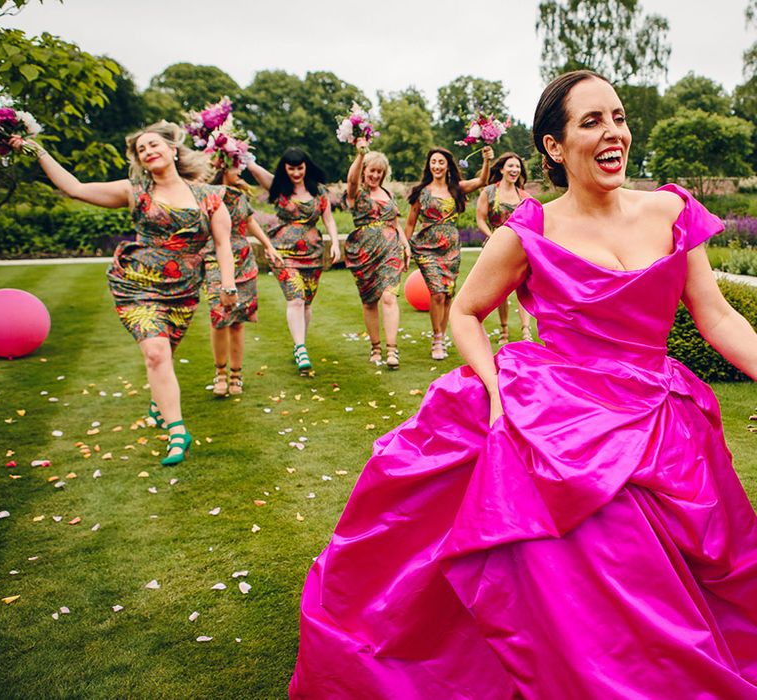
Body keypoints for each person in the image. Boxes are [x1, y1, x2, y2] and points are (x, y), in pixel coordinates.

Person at [289, 70, 757, 698]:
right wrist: (495, 389)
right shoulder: (528, 231)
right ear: (555, 148)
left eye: (616, 117)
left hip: (660, 410)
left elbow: (719, 316)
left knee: (710, 560)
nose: (612, 132)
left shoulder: (671, 209)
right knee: (594, 542)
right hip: (561, 406)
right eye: (590, 122)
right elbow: (463, 311)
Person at [10, 122, 237, 467]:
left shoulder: (209, 197)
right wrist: (36, 149)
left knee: (165, 352)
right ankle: (178, 433)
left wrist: (228, 285)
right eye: (141, 150)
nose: (148, 151)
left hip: (183, 290)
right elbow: (74, 188)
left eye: (154, 145)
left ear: (173, 150)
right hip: (136, 284)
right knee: (156, 353)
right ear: (141, 161)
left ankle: (160, 403)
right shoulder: (134, 191)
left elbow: (223, 245)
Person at [245, 148, 341, 373]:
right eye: (291, 168)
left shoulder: (319, 191)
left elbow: (329, 220)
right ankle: (300, 348)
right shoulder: (278, 187)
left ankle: (301, 345)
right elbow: (254, 168)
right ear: (284, 169)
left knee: (306, 303)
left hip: (313, 253)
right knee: (295, 299)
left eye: (299, 168)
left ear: (306, 166)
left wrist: (335, 243)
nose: (296, 172)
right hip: (283, 252)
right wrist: (237, 151)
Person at [404, 145, 492, 361]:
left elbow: (481, 181)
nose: (437, 166)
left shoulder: (457, 189)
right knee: (437, 292)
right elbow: (410, 222)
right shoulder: (421, 192)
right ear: (429, 166)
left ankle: (442, 335)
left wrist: (487, 160)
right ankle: (437, 338)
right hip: (426, 247)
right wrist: (404, 248)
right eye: (433, 162)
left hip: (450, 248)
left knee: (448, 294)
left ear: (447, 166)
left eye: (441, 162)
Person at [204, 165, 282, 396]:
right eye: (234, 166)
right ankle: (220, 372)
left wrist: (269, 246)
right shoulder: (204, 194)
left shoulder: (239, 196)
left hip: (243, 261)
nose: (240, 170)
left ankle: (236, 375)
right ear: (221, 167)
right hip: (215, 259)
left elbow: (249, 222)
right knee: (219, 318)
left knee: (237, 320)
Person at [345, 138, 410, 369]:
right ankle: (375, 347)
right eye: (372, 171)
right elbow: (351, 179)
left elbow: (395, 221)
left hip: (390, 248)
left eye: (379, 172)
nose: (375, 175)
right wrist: (361, 154)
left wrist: (405, 244)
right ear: (365, 170)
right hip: (363, 251)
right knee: (369, 301)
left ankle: (392, 350)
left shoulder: (387, 193)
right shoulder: (356, 192)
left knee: (389, 296)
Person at [475, 152, 534, 343]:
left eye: (517, 167)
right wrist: (494, 238)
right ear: (501, 169)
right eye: (510, 166)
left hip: (520, 247)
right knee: (501, 290)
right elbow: (480, 219)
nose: (514, 170)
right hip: (496, 247)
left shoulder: (524, 196)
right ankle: (504, 329)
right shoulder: (489, 192)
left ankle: (526, 331)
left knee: (524, 288)